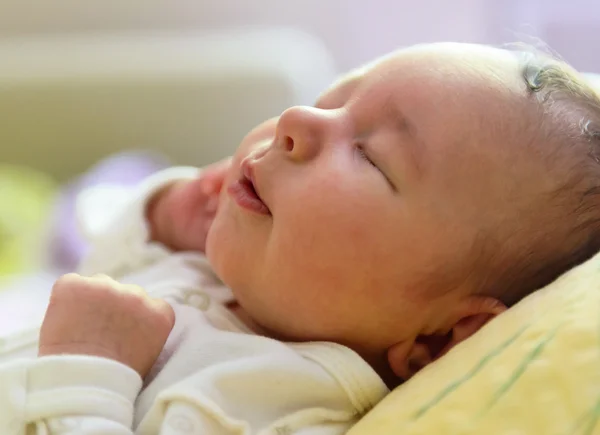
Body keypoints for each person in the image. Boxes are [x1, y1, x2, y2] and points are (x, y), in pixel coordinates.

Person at [2, 42, 600, 435]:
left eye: (369, 157)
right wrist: (163, 214)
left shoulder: (285, 408)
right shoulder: (234, 276)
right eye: (330, 100)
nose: (296, 121)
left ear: (441, 339)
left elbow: (88, 331)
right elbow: (106, 278)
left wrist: (86, 367)